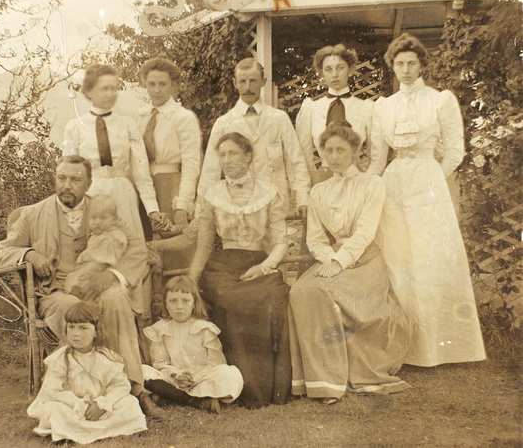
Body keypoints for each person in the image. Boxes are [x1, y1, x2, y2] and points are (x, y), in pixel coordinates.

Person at [0, 155, 166, 419]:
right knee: (75, 309)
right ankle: (83, 393)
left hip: (96, 285)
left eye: (75, 179)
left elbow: (137, 248)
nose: (67, 185)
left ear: (89, 183)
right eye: (61, 178)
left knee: (117, 297)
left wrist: (115, 276)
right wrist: (29, 255)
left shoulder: (102, 210)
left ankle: (135, 389)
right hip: (56, 294)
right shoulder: (33, 213)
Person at [367, 33, 486, 367]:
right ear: (392, 66)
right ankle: (401, 347)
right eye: (399, 63)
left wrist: (431, 174)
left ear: (421, 65)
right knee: (396, 257)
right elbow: (378, 159)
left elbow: (455, 151)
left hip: (428, 185)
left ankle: (437, 348)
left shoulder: (440, 100)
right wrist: (368, 189)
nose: (405, 69)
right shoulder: (384, 106)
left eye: (411, 63)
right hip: (394, 184)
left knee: (428, 258)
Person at [289, 123, 412, 403]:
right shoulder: (318, 191)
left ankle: (338, 378)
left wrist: (339, 263)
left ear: (355, 151)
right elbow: (317, 239)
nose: (334, 156)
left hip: (365, 259)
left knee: (322, 291)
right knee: (300, 291)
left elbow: (365, 232)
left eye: (341, 150)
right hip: (332, 257)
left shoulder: (372, 184)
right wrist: (330, 260)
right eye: (328, 150)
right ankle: (322, 380)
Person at [188, 132, 291, 409]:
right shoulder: (213, 194)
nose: (227, 159)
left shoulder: (269, 191)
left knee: (274, 296)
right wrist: (191, 279)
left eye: (233, 153)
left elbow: (281, 242)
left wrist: (264, 267)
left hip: (259, 263)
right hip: (223, 266)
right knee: (229, 298)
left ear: (248, 155)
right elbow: (205, 243)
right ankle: (240, 387)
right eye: (222, 154)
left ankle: (270, 389)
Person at [62, 63, 169, 241]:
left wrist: (152, 209)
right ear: (88, 91)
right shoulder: (75, 127)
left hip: (123, 195)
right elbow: (69, 174)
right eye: (104, 89)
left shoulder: (127, 124)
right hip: (91, 195)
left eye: (114, 88)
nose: (111, 94)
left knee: (128, 245)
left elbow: (141, 173)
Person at [197, 58, 311, 218]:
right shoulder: (224, 124)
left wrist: (303, 199)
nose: (248, 87)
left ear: (263, 82)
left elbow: (295, 162)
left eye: (253, 81)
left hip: (275, 207)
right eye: (242, 81)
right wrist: (202, 213)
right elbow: (210, 171)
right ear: (235, 83)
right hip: (238, 208)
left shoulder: (279, 119)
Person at [27, 301, 147, 444]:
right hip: (73, 407)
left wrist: (103, 404)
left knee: (130, 403)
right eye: (71, 327)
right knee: (55, 409)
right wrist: (78, 404)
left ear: (96, 332)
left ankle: (80, 428)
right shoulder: (60, 358)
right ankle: (83, 427)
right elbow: (52, 391)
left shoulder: (107, 357)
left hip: (101, 406)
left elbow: (121, 386)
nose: (76, 333)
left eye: (83, 328)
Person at [142, 276, 244, 413]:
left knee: (229, 374)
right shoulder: (160, 329)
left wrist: (194, 378)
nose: (179, 307)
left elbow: (216, 363)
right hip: (173, 382)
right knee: (143, 371)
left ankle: (168, 397)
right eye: (173, 301)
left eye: (185, 301)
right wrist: (177, 376)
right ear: (165, 304)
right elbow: (159, 363)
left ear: (194, 303)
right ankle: (196, 402)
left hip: (201, 379)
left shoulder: (205, 329)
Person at [135, 56, 202, 231]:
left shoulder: (183, 117)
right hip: (143, 187)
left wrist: (183, 204)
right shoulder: (141, 116)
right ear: (145, 85)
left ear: (173, 85)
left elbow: (191, 163)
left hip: (171, 186)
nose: (157, 90)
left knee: (171, 243)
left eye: (163, 84)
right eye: (151, 84)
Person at [296, 44, 374, 184]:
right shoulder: (312, 108)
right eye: (328, 69)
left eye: (340, 67)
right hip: (323, 178)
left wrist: (365, 179)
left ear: (349, 70)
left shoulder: (364, 108)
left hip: (356, 179)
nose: (334, 74)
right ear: (322, 73)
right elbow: (304, 153)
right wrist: (316, 178)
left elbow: (373, 153)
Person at [64, 194, 131, 300]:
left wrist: (82, 274)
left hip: (98, 272)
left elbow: (101, 262)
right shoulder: (98, 234)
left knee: (80, 286)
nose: (97, 222)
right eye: (93, 218)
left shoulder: (112, 237)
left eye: (103, 218)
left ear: (114, 220)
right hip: (88, 270)